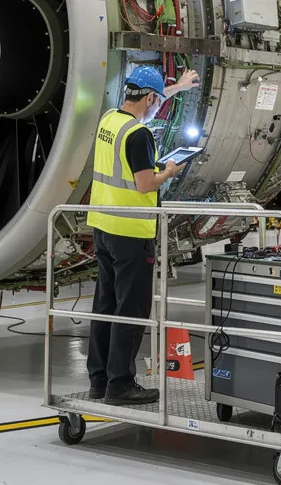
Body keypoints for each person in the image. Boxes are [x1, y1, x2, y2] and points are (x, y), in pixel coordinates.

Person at [86, 65, 201, 405]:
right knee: (131, 310)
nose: (156, 105)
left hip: (103, 227)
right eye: (156, 100)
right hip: (131, 232)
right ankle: (120, 385)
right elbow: (143, 183)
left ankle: (99, 380)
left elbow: (145, 112)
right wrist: (168, 170)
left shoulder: (110, 120)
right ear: (148, 98)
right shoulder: (139, 136)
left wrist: (177, 86)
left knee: (105, 305)